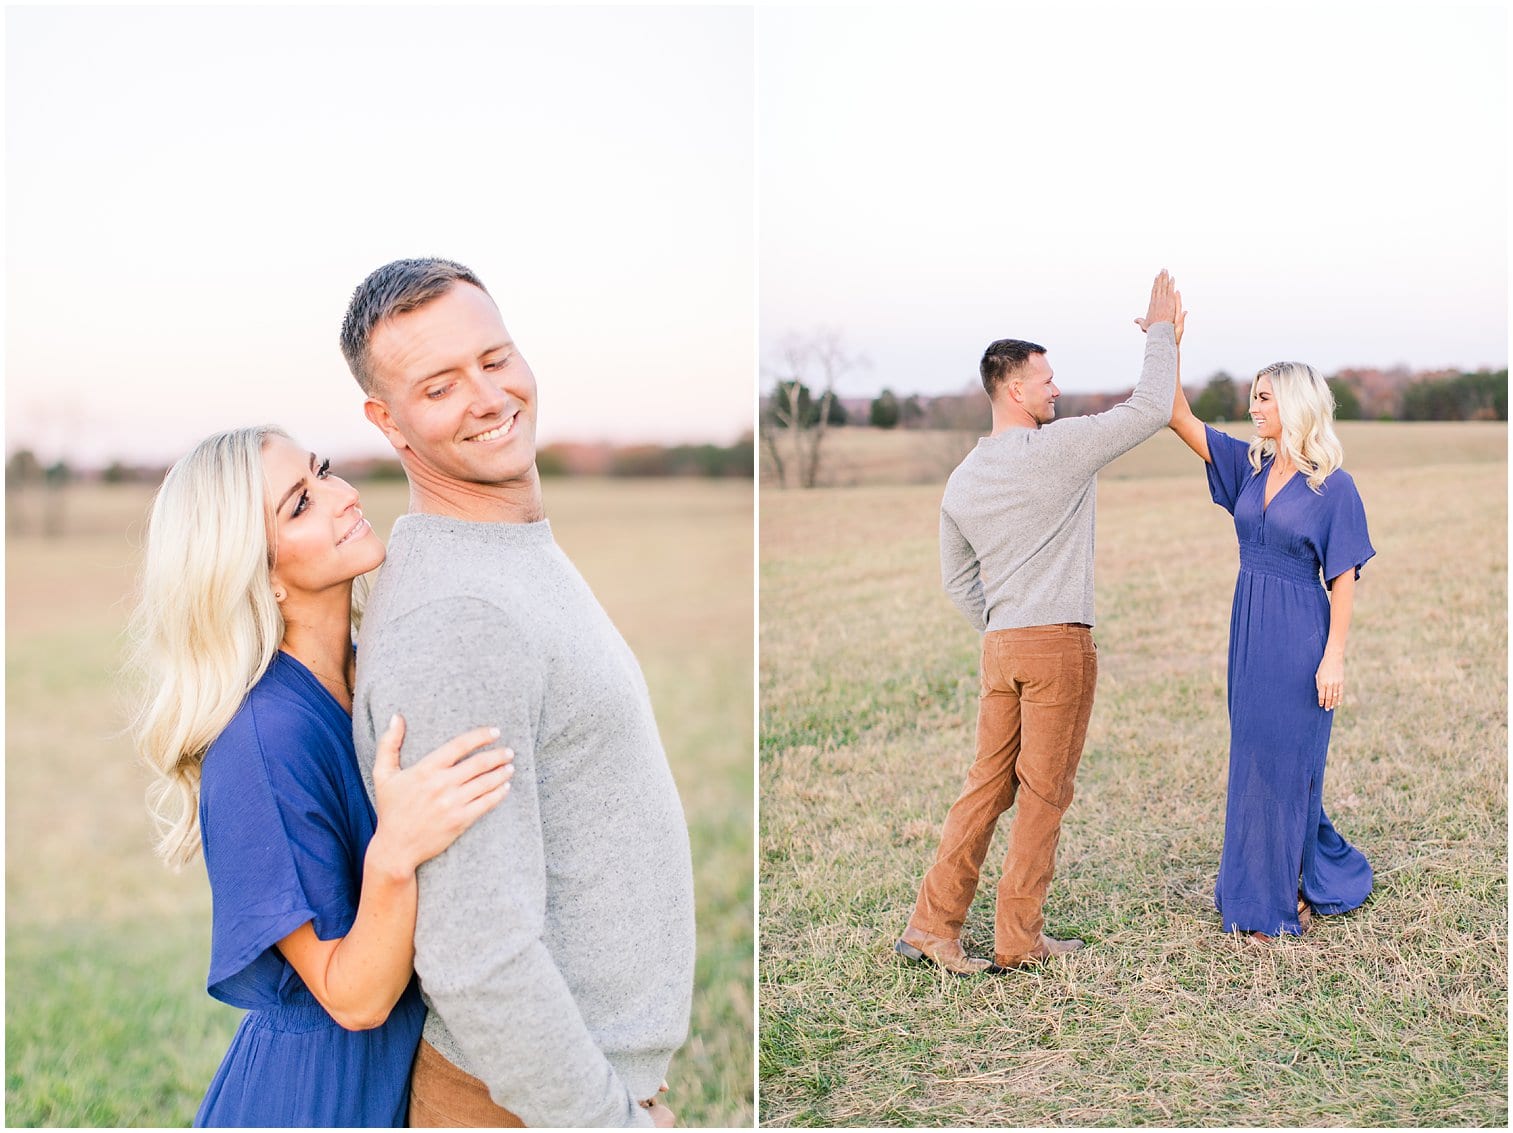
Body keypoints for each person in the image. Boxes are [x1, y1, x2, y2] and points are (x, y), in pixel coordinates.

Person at [339, 257, 694, 1128]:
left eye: (494, 359)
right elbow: (477, 953)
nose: (487, 396)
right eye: (439, 385)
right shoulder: (460, 618)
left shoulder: (501, 551)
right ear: (389, 421)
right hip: (522, 1106)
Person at [131, 426, 515, 1126]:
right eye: (300, 503)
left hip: (427, 1073)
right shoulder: (260, 743)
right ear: (260, 573)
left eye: (324, 471)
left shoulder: (379, 671)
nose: (342, 496)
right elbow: (353, 997)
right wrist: (395, 850)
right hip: (322, 1098)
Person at [896, 270, 1182, 976]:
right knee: (1043, 793)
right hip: (1057, 644)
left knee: (985, 786)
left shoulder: (962, 478)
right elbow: (1150, 406)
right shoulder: (1060, 448)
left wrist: (1001, 626)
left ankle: (931, 926)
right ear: (1012, 389)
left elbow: (956, 580)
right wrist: (1160, 332)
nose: (1055, 388)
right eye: (1045, 380)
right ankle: (1017, 937)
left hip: (1001, 647)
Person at [1165, 322, 1374, 940]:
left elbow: (1343, 579)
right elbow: (1176, 415)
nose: (1253, 407)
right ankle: (1273, 880)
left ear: (1295, 405)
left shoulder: (1333, 487)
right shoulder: (1247, 468)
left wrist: (1333, 658)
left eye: (1264, 397)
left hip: (1300, 636)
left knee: (1289, 764)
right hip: (1249, 632)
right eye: (1253, 397)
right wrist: (1166, 341)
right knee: (1253, 760)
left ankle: (1285, 898)